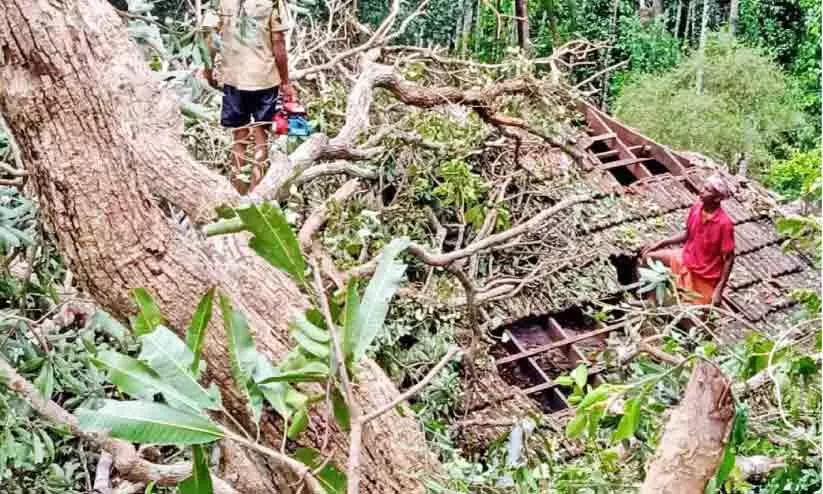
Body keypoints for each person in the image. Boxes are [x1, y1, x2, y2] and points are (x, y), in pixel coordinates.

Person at [202, 0, 295, 194]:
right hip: (265, 78)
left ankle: (237, 191)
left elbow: (208, 38)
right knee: (261, 136)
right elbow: (278, 43)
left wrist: (208, 70)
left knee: (239, 138)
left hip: (234, 79)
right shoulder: (272, 2)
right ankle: (256, 193)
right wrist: (285, 81)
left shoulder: (220, 2)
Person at [641, 174, 736, 307]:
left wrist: (719, 290)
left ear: (717, 198)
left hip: (705, 272)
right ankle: (651, 300)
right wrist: (662, 243)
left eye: (708, 190)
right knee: (649, 258)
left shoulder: (725, 224)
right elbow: (687, 233)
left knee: (696, 311)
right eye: (703, 187)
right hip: (686, 256)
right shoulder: (697, 207)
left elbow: (729, 259)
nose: (702, 191)